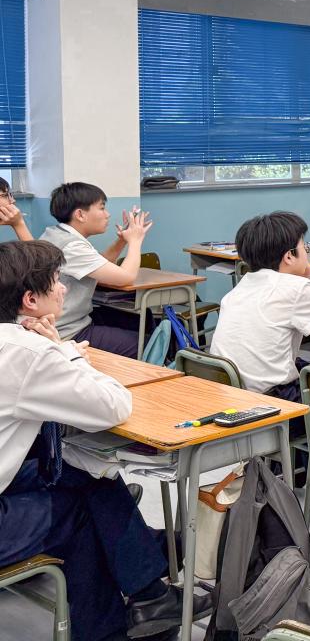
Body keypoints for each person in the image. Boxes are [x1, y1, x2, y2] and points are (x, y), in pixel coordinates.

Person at [0, 239, 209, 641]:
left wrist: (55, 353)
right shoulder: (28, 353)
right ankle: (121, 619)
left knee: (81, 473)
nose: (64, 288)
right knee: (82, 513)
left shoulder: (18, 346)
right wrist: (64, 353)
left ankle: (149, 595)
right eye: (57, 281)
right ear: (30, 300)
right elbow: (114, 406)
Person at [208, 212, 310, 523]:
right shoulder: (293, 289)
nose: (308, 253)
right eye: (304, 247)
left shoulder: (238, 290)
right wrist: (306, 280)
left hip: (233, 401)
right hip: (270, 407)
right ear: (289, 256)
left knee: (305, 370)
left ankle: (292, 468)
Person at [38, 182, 152, 357]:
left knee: (143, 319)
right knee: (146, 343)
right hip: (68, 332)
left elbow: (100, 264)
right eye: (102, 208)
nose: (107, 214)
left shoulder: (57, 234)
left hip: (66, 321)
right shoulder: (72, 247)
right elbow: (127, 277)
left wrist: (122, 240)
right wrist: (135, 240)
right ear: (80, 214)